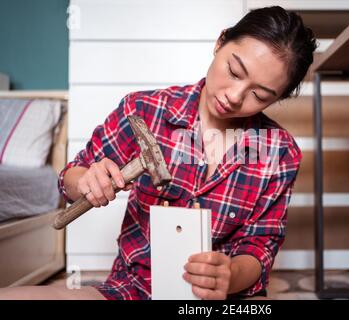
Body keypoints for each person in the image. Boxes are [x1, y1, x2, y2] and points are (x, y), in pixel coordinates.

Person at [0, 6, 316, 300]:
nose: (234, 96)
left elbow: (260, 246)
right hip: (131, 290)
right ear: (220, 42)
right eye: (234, 71)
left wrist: (230, 276)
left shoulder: (280, 152)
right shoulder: (144, 110)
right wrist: (85, 180)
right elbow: (71, 177)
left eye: (259, 95)